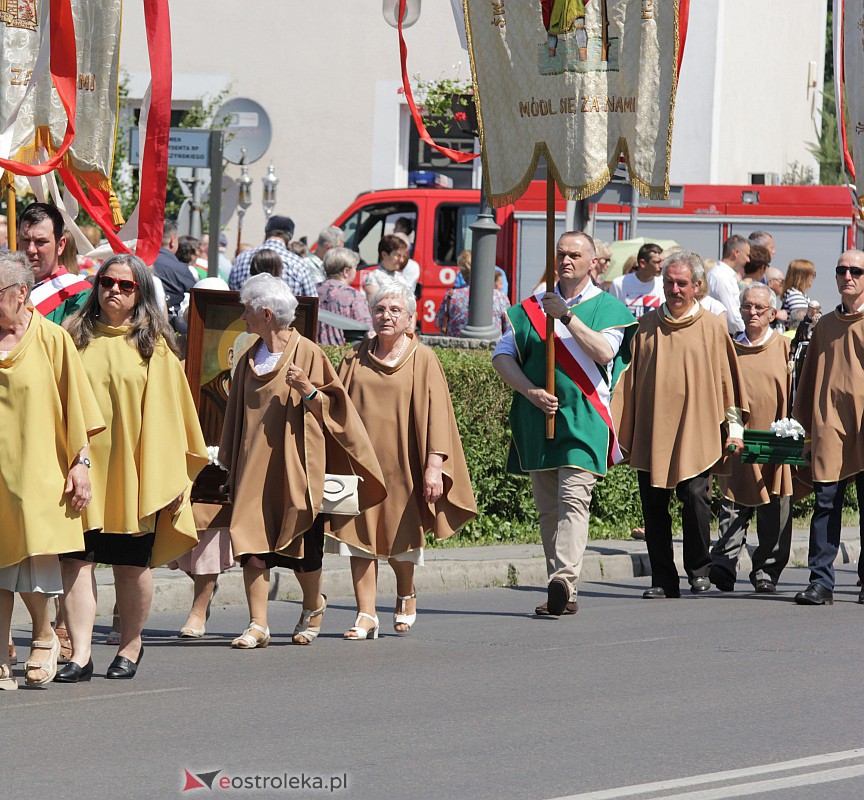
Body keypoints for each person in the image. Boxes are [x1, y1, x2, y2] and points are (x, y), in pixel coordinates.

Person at [0, 249, 104, 690]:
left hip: (40, 475)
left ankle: (43, 639)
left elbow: (78, 409)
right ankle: (0, 660)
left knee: (34, 569)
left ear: (22, 292)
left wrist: (82, 465)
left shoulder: (53, 340)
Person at [218, 274, 385, 649]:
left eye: (247, 311)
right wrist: (230, 464)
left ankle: (313, 605)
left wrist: (308, 390)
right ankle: (258, 624)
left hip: (295, 465)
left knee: (303, 550)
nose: (243, 317)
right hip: (252, 468)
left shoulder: (308, 352)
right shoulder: (248, 357)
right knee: (251, 544)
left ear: (266, 314)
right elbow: (235, 416)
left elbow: (337, 409)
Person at [60, 254, 206, 680]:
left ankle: (131, 643)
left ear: (140, 292)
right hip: (81, 470)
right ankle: (81, 654)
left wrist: (169, 477)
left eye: (126, 286)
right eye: (108, 282)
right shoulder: (73, 337)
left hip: (132, 473)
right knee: (76, 562)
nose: (115, 292)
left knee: (130, 566)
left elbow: (171, 418)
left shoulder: (154, 346)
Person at [493, 232, 637, 615]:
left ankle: (563, 580)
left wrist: (567, 318)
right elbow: (502, 357)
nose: (566, 260)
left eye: (575, 254)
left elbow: (605, 352)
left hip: (586, 418)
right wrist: (529, 391)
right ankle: (562, 586)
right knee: (549, 511)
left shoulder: (607, 307)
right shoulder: (528, 309)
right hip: (539, 416)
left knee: (574, 499)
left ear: (593, 262)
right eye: (561, 253)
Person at [331, 284, 476, 637]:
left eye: (396, 310)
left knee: (400, 539)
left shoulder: (423, 357)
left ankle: (405, 593)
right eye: (380, 309)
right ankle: (365, 614)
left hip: (404, 465)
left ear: (410, 318)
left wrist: (434, 466)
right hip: (361, 466)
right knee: (357, 538)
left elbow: (438, 415)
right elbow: (334, 407)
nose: (387, 315)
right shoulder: (353, 357)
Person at [614, 251, 746, 599]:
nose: (675, 289)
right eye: (669, 282)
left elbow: (727, 382)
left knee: (695, 499)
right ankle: (662, 579)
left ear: (697, 286)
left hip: (697, 430)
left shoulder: (713, 326)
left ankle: (699, 569)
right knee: (654, 505)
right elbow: (629, 383)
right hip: (654, 429)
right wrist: (621, 432)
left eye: (682, 283)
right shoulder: (646, 327)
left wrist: (735, 429)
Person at [707, 283, 793, 595]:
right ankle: (724, 563)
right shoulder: (731, 348)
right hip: (738, 434)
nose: (752, 312)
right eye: (747, 306)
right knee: (733, 496)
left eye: (759, 307)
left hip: (774, 436)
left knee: (774, 502)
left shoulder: (784, 347)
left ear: (772, 313)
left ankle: (766, 570)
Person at [791, 250, 864, 606]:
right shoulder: (824, 326)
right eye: (841, 271)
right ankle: (821, 581)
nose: (847, 276)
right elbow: (807, 380)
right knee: (826, 502)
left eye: (855, 271)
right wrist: (805, 429)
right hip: (829, 424)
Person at [18, 203, 91, 324]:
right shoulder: (3, 286)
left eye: (40, 242)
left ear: (60, 245)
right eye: (25, 240)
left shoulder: (79, 293)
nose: (31, 249)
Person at [227, 215, 317, 297]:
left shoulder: (241, 258)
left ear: (267, 232)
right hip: (285, 314)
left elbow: (232, 294)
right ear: (289, 237)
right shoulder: (299, 264)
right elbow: (313, 302)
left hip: (244, 313)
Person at [436, 255, 510, 335]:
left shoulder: (452, 295)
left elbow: (439, 323)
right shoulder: (500, 297)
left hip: (456, 345)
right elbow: (508, 327)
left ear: (463, 274)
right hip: (493, 344)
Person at [316, 247, 372, 345]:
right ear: (346, 271)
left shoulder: (312, 290)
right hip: (342, 354)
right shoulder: (354, 296)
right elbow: (367, 330)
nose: (356, 271)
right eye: (355, 267)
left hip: (314, 351)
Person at [150, 220, 198, 318]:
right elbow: (196, 299)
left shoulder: (139, 261)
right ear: (172, 241)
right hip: (171, 327)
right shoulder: (181, 269)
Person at [706, 235, 750, 335]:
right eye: (747, 255)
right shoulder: (721, 277)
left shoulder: (723, 275)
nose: (748, 260)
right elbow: (732, 318)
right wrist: (747, 336)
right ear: (736, 253)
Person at [607, 243, 663, 319]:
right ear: (642, 263)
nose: (661, 266)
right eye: (656, 262)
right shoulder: (619, 283)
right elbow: (612, 314)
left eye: (662, 262)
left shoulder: (664, 283)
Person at [363, 235, 414, 303]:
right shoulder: (374, 277)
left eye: (403, 256)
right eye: (398, 255)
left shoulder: (401, 277)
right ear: (384, 255)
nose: (401, 260)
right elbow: (375, 304)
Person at [780, 258, 815, 330]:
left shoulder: (794, 294)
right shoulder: (795, 296)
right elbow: (802, 320)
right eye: (812, 275)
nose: (813, 278)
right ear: (803, 277)